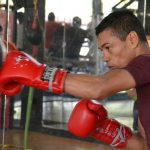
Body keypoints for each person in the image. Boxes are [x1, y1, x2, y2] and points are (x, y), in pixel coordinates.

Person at [0, 9, 149, 149]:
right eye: (102, 50)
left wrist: (37, 72)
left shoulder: (146, 62)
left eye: (108, 47)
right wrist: (106, 129)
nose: (105, 57)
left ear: (132, 39)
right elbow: (143, 145)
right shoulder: (142, 81)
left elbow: (98, 87)